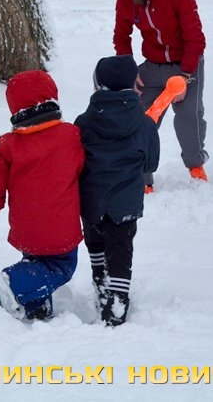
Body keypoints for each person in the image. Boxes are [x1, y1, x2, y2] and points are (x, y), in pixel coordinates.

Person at [0, 70, 85, 321]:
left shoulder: (8, 146)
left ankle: (36, 307)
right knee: (61, 266)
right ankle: (10, 283)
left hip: (26, 224)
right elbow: (82, 168)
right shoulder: (70, 136)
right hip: (60, 225)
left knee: (36, 262)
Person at [75, 55, 160, 327]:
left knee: (95, 240)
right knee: (121, 248)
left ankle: (100, 279)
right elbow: (151, 163)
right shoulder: (145, 124)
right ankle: (118, 299)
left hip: (92, 199)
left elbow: (76, 159)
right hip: (125, 203)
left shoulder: (84, 122)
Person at [113, 0, 208, 188]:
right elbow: (121, 37)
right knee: (141, 119)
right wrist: (129, 71)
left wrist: (185, 75)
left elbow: (195, 38)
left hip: (186, 63)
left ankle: (195, 164)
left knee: (188, 117)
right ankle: (142, 177)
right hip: (153, 66)